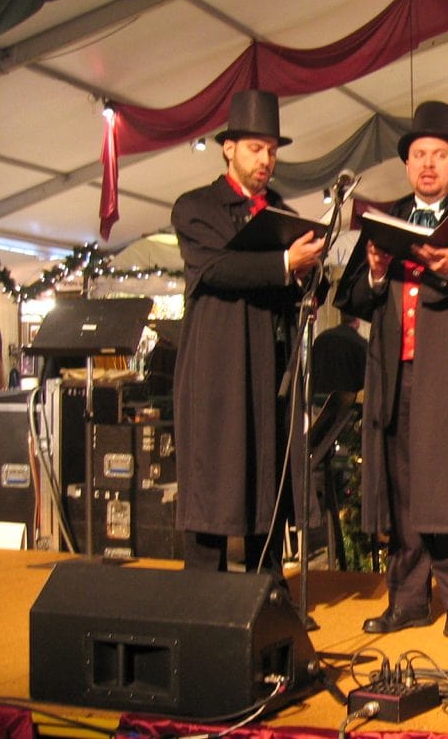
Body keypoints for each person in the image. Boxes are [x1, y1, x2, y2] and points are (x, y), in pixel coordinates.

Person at [334, 101, 448, 638]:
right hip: (396, 377)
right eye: (419, 155)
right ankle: (408, 598)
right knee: (403, 488)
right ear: (407, 164)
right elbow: (350, 296)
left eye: (440, 155)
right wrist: (372, 273)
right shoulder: (382, 219)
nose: (429, 165)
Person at [172, 89, 327, 575]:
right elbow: (216, 267)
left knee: (266, 480)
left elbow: (285, 286)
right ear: (228, 147)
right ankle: (203, 604)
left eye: (272, 150)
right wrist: (284, 263)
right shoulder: (196, 207)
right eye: (256, 148)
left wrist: (306, 278)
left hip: (268, 366)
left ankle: (266, 597)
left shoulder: (279, 209)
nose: (266, 159)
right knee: (213, 482)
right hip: (216, 368)